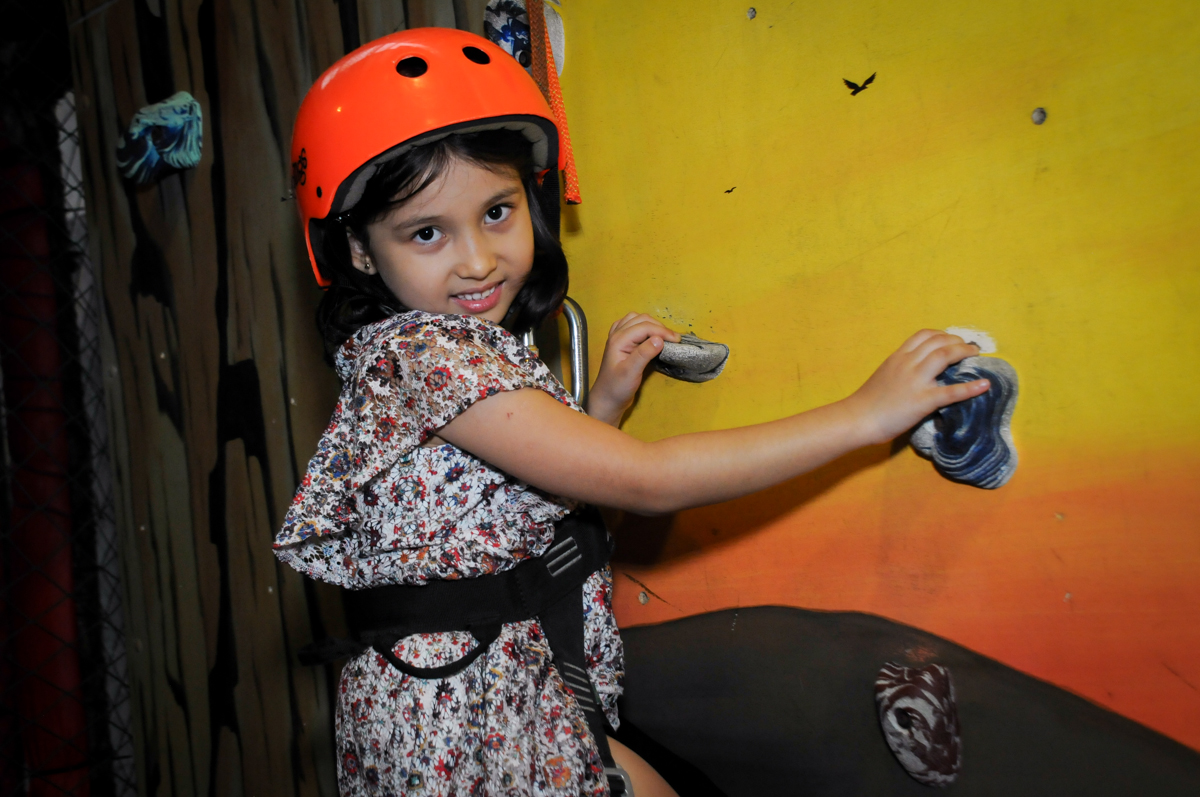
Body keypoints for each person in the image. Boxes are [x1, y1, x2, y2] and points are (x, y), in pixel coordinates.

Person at [274, 27, 989, 797]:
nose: (477, 260)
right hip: (469, 721)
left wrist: (602, 405)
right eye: (426, 232)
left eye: (497, 211)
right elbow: (647, 481)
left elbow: (506, 500)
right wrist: (863, 414)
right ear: (356, 248)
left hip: (502, 691)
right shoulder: (425, 356)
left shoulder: (445, 347)